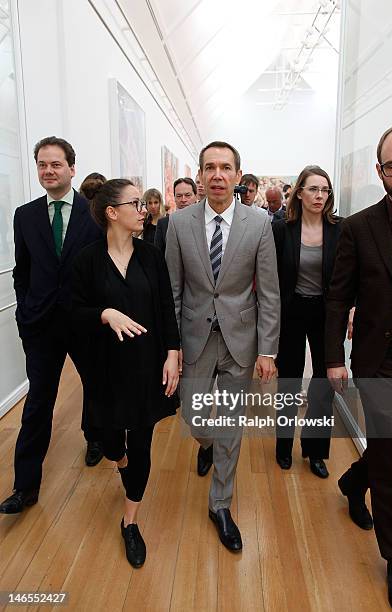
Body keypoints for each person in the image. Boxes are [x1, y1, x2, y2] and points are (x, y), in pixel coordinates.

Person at [326, 123, 392, 612]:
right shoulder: (358, 228)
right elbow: (337, 298)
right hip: (381, 365)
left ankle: (351, 481)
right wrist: (331, 358)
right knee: (389, 472)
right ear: (380, 172)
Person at [166, 141, 280, 552]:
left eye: (225, 167)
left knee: (231, 423)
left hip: (240, 340)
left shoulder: (259, 224)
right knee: (194, 419)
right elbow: (172, 292)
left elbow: (269, 291)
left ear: (236, 175)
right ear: (199, 175)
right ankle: (209, 444)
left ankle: (221, 505)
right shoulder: (178, 224)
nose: (217, 174)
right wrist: (171, 347)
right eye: (209, 167)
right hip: (194, 337)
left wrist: (268, 349)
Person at [71, 178, 180, 568]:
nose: (144, 208)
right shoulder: (86, 260)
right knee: (109, 441)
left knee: (143, 443)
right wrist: (104, 312)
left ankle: (129, 520)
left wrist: (172, 353)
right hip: (104, 370)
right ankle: (119, 459)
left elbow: (167, 307)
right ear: (112, 213)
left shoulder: (151, 256)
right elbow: (71, 312)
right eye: (135, 203)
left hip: (147, 365)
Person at [0, 136, 103, 516]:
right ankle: (24, 487)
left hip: (83, 321)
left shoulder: (93, 213)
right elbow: (22, 270)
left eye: (56, 164)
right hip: (40, 324)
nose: (48, 171)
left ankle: (94, 438)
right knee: (38, 403)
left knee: (95, 385)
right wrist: (24, 312)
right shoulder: (25, 215)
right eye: (42, 164)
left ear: (72, 169)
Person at [273, 166, 341, 477]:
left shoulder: (338, 229)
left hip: (325, 313)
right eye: (313, 189)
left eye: (325, 190)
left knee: (324, 383)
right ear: (299, 192)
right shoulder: (282, 229)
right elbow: (270, 277)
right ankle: (283, 446)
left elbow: (346, 277)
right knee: (289, 378)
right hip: (291, 311)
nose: (319, 196)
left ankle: (315, 451)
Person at [154, 178, 197, 254]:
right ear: (174, 198)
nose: (183, 200)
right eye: (179, 196)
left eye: (187, 195)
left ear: (196, 196)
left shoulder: (205, 221)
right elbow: (158, 255)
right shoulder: (163, 224)